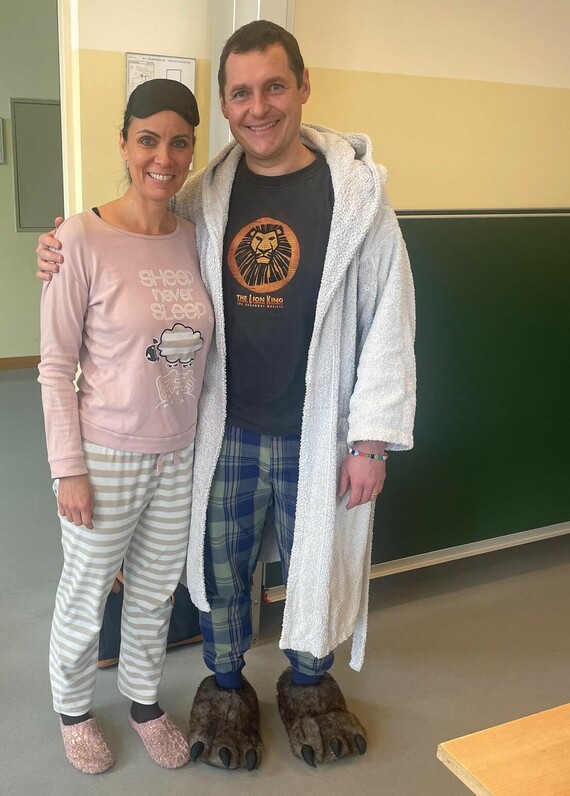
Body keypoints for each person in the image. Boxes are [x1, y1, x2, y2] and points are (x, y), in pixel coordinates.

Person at [37, 20, 416, 771]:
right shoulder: (207, 195)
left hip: (315, 430)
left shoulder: (357, 198)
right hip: (220, 429)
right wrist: (59, 243)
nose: (258, 106)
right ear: (225, 104)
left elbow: (391, 318)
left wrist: (371, 438)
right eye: (241, 93)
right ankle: (219, 684)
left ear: (303, 87)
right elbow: (116, 247)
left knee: (304, 565)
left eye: (274, 86)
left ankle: (307, 683)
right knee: (218, 571)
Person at [37, 78, 213, 774]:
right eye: (147, 140)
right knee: (86, 592)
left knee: (154, 591)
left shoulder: (194, 238)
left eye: (178, 142)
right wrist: (67, 469)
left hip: (178, 452)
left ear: (192, 150)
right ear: (123, 144)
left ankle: (143, 701)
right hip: (105, 452)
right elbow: (54, 366)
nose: (162, 157)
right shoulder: (78, 239)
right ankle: (73, 709)